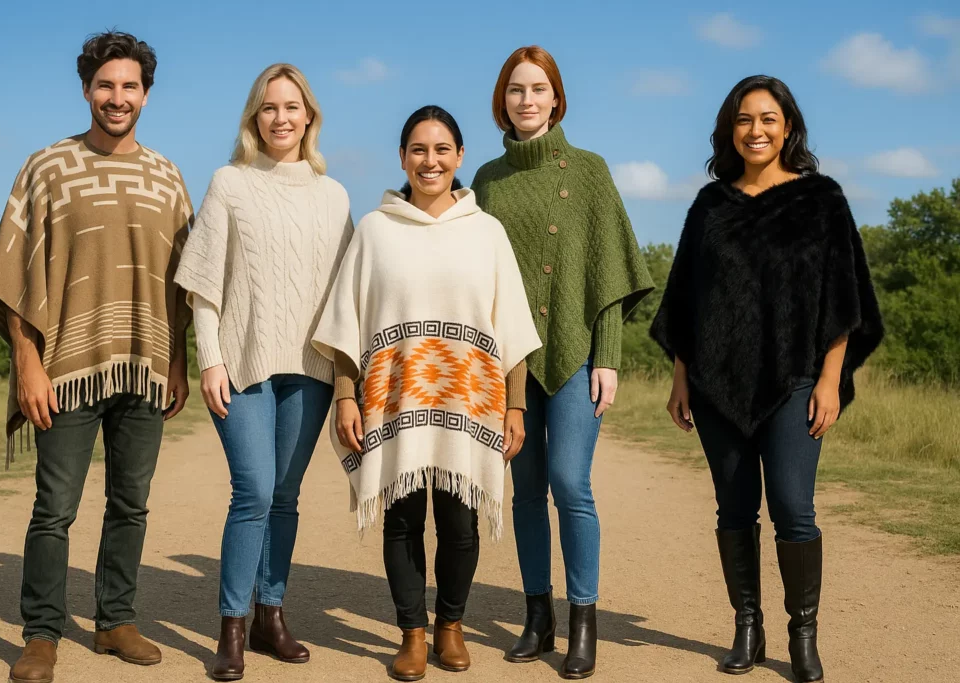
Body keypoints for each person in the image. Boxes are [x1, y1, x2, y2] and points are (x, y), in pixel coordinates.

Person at [0, 31, 194, 683]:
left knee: (131, 503)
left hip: (145, 362)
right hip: (65, 366)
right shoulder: (48, 167)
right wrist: (27, 361)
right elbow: (16, 268)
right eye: (105, 85)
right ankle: (41, 633)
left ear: (146, 96)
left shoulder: (167, 176)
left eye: (129, 86)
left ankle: (115, 620)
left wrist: (177, 361)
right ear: (86, 90)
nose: (117, 97)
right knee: (55, 507)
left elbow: (180, 284)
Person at [649, 75, 884, 683]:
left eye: (768, 119)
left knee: (792, 506)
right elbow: (688, 299)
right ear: (730, 129)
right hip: (715, 381)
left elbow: (842, 297)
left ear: (788, 127)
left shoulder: (821, 200)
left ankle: (802, 635)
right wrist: (681, 376)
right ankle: (746, 627)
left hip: (797, 378)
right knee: (734, 508)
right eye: (744, 119)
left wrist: (830, 380)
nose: (756, 130)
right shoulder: (710, 205)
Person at [312, 105, 541, 681]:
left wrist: (515, 404)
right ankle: (412, 633)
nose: (430, 161)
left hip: (471, 400)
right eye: (418, 149)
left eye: (442, 150)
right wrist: (345, 396)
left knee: (461, 523)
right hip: (396, 400)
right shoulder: (375, 230)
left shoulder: (486, 232)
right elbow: (347, 322)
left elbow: (511, 326)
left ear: (460, 157)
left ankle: (450, 627)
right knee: (402, 519)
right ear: (402, 158)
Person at [471, 46, 654, 679]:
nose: (527, 100)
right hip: (508, 365)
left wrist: (609, 356)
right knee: (525, 491)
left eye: (538, 89)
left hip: (576, 356)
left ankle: (583, 621)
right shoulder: (486, 181)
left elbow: (608, 269)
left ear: (556, 98)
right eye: (516, 90)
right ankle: (537, 617)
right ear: (503, 100)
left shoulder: (591, 171)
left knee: (571, 484)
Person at [174, 63, 353, 681]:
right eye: (269, 107)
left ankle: (270, 615)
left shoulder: (334, 196)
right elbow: (204, 284)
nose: (281, 117)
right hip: (242, 363)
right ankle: (231, 627)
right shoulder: (230, 183)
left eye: (292, 106)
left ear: (309, 116)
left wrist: (351, 381)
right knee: (252, 490)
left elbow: (346, 293)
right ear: (255, 117)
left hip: (312, 368)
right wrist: (209, 358)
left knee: (285, 495)